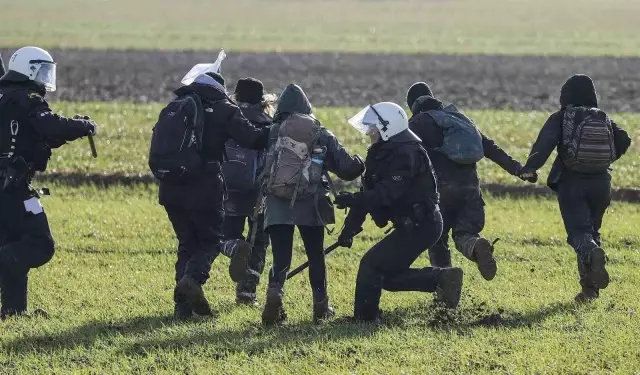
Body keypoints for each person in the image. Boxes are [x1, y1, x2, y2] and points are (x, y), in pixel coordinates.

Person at [335, 102, 463, 322]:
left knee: (371, 265)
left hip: (423, 224)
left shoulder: (407, 153)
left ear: (388, 128)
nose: (368, 132)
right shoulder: (381, 152)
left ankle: (365, 319)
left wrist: (355, 200)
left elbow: (386, 193)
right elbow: (369, 192)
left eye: (372, 128)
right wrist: (349, 229)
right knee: (386, 276)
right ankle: (442, 278)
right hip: (413, 224)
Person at [158, 70, 271, 319]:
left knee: (187, 244)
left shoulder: (176, 107)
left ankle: (183, 308)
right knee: (210, 241)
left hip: (170, 189)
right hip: (204, 189)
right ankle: (192, 281)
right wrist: (278, 129)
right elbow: (253, 138)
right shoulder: (223, 110)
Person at [0, 46, 97, 319]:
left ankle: (14, 311)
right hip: (13, 187)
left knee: (13, 244)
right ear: (29, 69)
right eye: (42, 70)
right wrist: (84, 126)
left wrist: (69, 130)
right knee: (40, 245)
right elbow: (51, 127)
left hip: (7, 184)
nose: (45, 77)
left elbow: (43, 135)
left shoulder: (5, 98)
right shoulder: (27, 98)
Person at [520, 74, 631, 303]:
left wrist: (530, 168)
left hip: (572, 184)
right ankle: (590, 290)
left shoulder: (562, 117)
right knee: (592, 231)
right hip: (602, 183)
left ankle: (592, 257)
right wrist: (603, 161)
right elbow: (625, 139)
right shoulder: (603, 118)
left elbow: (544, 145)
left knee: (579, 234)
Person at [261, 84, 364, 325]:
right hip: (311, 202)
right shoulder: (320, 131)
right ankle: (321, 306)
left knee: (281, 257)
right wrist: (362, 162)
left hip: (276, 202)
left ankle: (274, 295)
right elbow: (347, 169)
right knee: (315, 255)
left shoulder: (272, 131)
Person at [406, 82, 526, 281]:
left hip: (439, 191)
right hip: (470, 189)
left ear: (412, 105)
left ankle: (445, 286)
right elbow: (490, 147)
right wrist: (518, 169)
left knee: (437, 240)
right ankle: (475, 246)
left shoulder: (417, 124)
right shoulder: (459, 120)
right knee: (465, 233)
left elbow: (404, 158)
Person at [220, 78, 275, 306]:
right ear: (262, 101)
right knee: (259, 241)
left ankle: (234, 248)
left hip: (229, 189)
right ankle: (247, 293)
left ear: (236, 97)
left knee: (224, 235)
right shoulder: (269, 123)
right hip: (260, 192)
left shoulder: (227, 119)